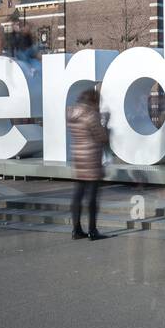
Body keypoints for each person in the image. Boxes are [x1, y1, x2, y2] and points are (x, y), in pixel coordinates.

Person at [67, 89, 108, 240]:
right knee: (92, 197)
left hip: (78, 158)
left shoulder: (72, 113)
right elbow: (102, 137)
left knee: (77, 195)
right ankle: (92, 230)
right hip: (91, 160)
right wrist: (105, 124)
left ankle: (76, 230)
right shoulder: (91, 115)